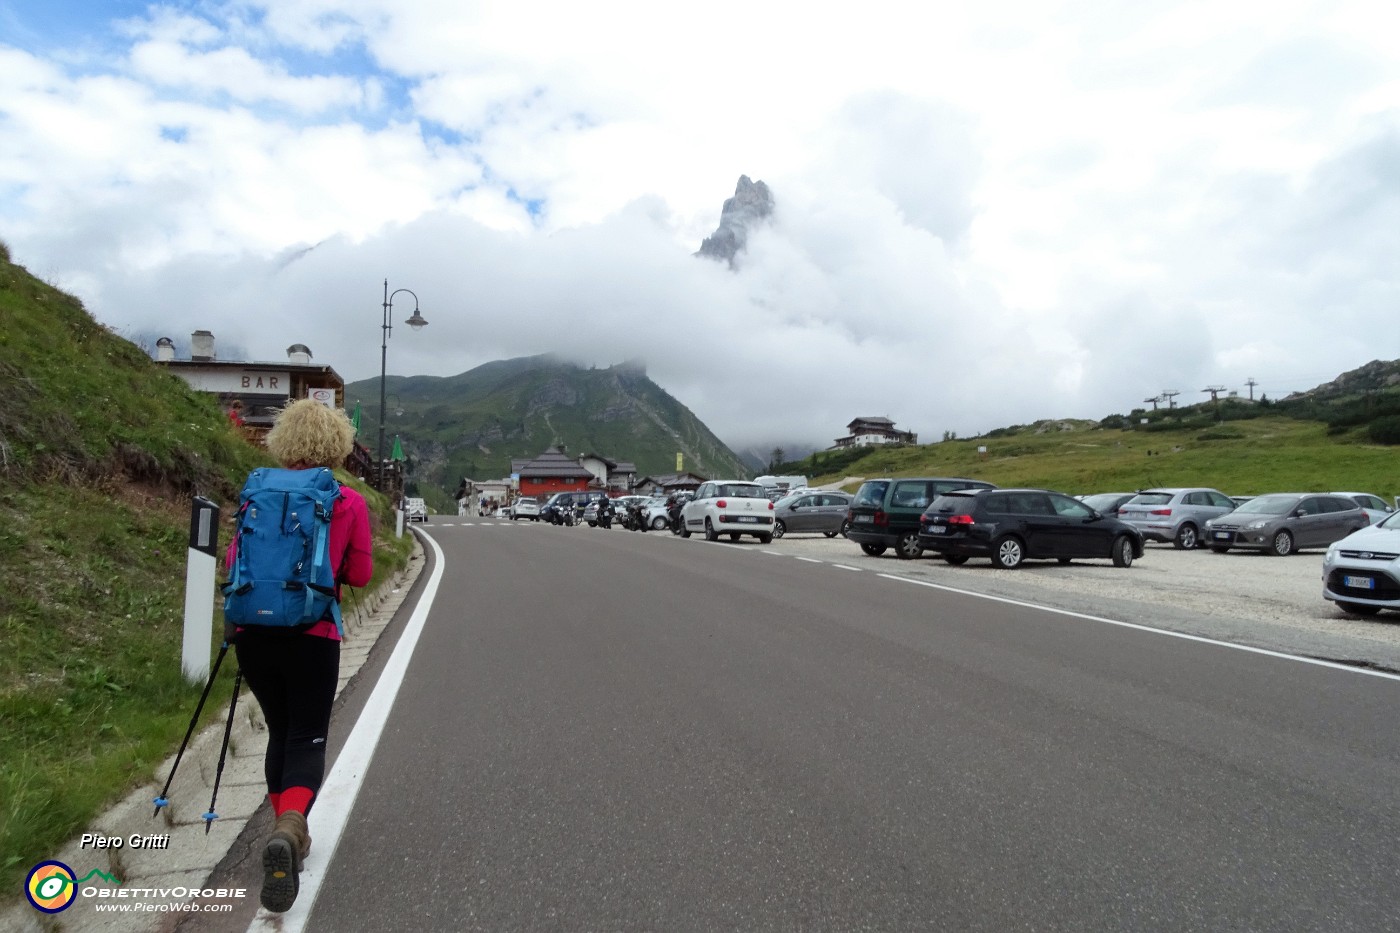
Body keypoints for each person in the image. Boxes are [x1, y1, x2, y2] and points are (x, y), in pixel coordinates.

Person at [224, 399, 373, 913]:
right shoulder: (345, 500)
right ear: (337, 444)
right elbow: (359, 576)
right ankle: (292, 827)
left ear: (283, 439)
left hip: (253, 631)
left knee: (279, 729)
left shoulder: (256, 491)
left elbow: (234, 561)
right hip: (313, 633)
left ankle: (282, 825)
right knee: (308, 733)